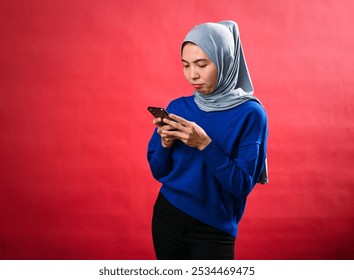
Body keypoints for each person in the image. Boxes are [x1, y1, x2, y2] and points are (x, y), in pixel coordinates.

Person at [147, 20, 268, 260]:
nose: (193, 75)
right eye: (186, 65)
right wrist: (165, 145)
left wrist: (205, 144)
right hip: (167, 216)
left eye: (202, 64)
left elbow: (242, 185)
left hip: (214, 228)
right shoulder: (177, 107)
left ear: (225, 61)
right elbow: (158, 171)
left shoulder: (251, 114)